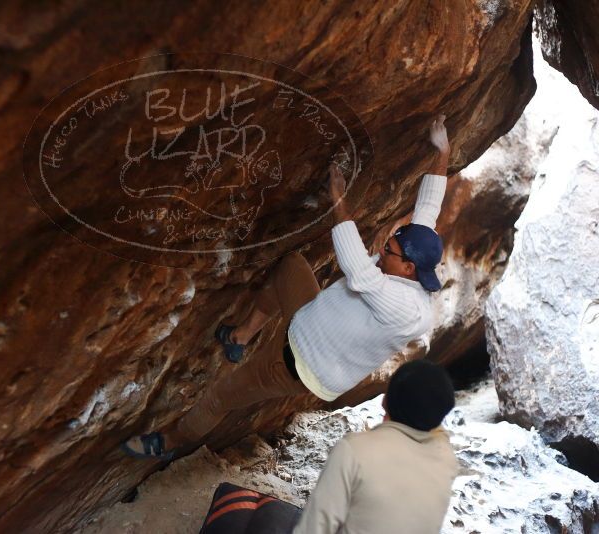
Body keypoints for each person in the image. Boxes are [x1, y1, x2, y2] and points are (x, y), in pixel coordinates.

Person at [121, 114, 452, 460]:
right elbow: (428, 209)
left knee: (220, 397)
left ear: (410, 269)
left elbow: (358, 272)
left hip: (300, 362)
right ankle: (241, 336)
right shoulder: (415, 261)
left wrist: (339, 201)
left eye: (390, 251)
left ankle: (167, 441)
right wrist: (441, 151)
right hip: (310, 318)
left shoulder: (408, 309)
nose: (382, 249)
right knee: (290, 267)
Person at [293, 359, 459, 534]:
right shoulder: (447, 459)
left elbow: (312, 529)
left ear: (384, 401)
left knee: (276, 513)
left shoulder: (354, 450)